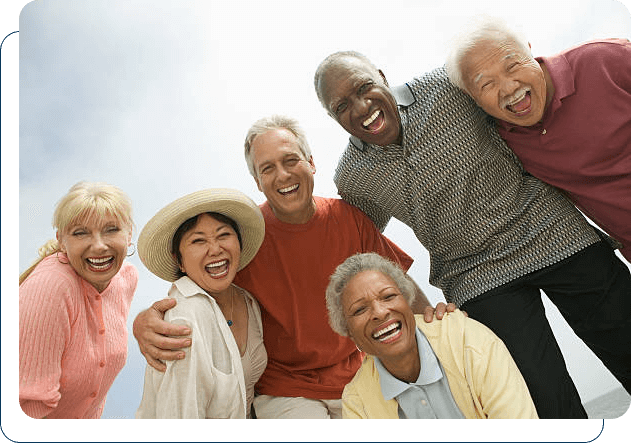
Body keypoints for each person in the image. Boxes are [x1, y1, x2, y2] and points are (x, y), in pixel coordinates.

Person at [314, 51, 631, 418]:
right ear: (332, 116)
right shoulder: (354, 176)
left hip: (549, 229)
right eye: (341, 106)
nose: (360, 106)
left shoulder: (447, 87)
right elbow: (359, 238)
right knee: (543, 399)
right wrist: (415, 305)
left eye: (365, 86)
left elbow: (523, 101)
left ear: (382, 75)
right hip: (476, 277)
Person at [133, 115, 455, 419]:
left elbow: (398, 286)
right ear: (258, 181)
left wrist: (437, 327)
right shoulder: (248, 238)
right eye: (267, 168)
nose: (283, 175)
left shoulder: (348, 219)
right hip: (283, 388)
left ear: (311, 164)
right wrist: (145, 320)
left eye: (290, 161)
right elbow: (200, 286)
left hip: (357, 373)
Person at [444, 16, 631, 263]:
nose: (509, 88)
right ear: (472, 97)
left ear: (529, 51)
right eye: (487, 84)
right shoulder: (503, 141)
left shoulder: (604, 59)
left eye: (512, 66)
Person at [326, 252, 538, 419]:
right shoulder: (357, 402)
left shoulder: (468, 341)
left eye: (389, 296)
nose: (380, 313)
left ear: (408, 301)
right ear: (350, 334)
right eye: (360, 310)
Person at [135, 188, 267, 419]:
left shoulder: (248, 301)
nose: (215, 249)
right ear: (180, 261)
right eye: (198, 240)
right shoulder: (184, 315)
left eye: (224, 235)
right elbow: (179, 412)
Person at [19, 181, 138, 419]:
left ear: (128, 235)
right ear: (62, 240)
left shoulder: (125, 278)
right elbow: (29, 406)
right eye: (81, 233)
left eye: (111, 229)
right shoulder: (51, 287)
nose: (99, 245)